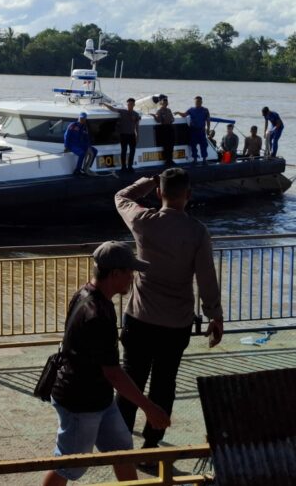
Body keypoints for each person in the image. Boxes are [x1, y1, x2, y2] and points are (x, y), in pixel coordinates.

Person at [114, 168, 224, 453]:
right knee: (164, 383)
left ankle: (120, 443)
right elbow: (206, 276)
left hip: (139, 318)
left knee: (131, 380)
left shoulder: (142, 220)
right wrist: (215, 315)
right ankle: (151, 447)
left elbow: (121, 196)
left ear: (160, 193)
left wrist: (146, 183)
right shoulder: (197, 231)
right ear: (188, 195)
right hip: (176, 324)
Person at [43, 241, 170, 486]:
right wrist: (148, 407)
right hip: (80, 402)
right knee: (68, 466)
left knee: (121, 450)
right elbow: (113, 373)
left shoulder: (85, 294)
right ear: (115, 274)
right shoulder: (98, 315)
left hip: (97, 397)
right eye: (129, 272)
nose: (132, 278)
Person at [102, 98, 140, 173]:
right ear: (127, 104)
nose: (130, 105)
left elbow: (137, 126)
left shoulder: (136, 114)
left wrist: (137, 136)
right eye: (129, 104)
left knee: (132, 151)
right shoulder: (123, 111)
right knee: (124, 151)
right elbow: (112, 109)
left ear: (134, 105)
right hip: (123, 135)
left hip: (132, 135)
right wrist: (105, 104)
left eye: (131, 104)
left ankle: (130, 166)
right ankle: (123, 167)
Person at [175, 96, 210, 165]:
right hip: (193, 130)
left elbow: (208, 120)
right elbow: (184, 115)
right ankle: (195, 159)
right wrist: (178, 112)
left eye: (199, 101)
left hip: (201, 130)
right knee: (193, 145)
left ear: (201, 102)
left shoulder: (205, 110)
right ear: (194, 102)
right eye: (196, 102)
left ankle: (204, 159)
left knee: (204, 145)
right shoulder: (191, 109)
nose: (198, 103)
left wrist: (208, 129)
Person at [151, 96, 175, 166]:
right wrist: (154, 116)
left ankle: (171, 160)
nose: (165, 103)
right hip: (164, 129)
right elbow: (158, 120)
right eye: (164, 102)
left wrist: (171, 120)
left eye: (166, 102)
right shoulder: (160, 111)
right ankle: (167, 161)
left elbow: (173, 119)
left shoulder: (169, 110)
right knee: (166, 146)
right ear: (161, 103)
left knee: (171, 145)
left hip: (170, 128)